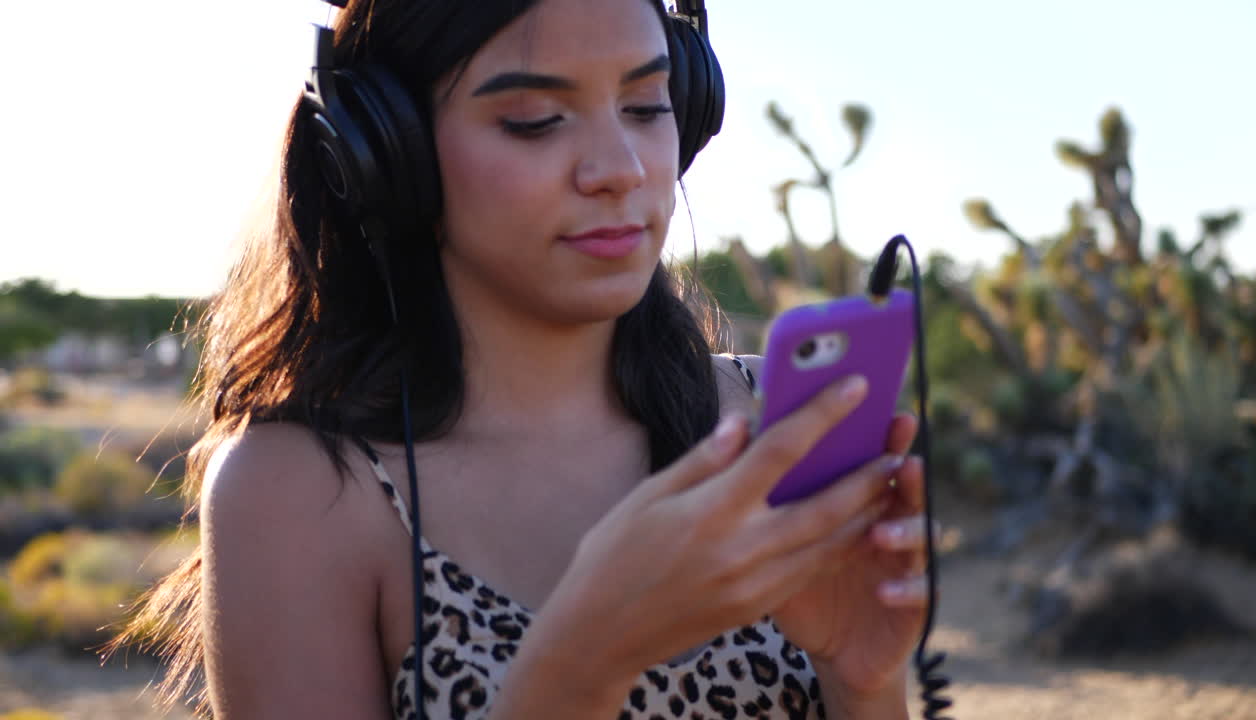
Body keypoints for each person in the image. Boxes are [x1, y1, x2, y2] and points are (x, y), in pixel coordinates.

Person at [110, 0, 933, 717]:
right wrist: (585, 659)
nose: (621, 169)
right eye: (535, 120)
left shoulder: (763, 421)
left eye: (647, 105)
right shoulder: (300, 491)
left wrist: (862, 681)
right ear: (388, 157)